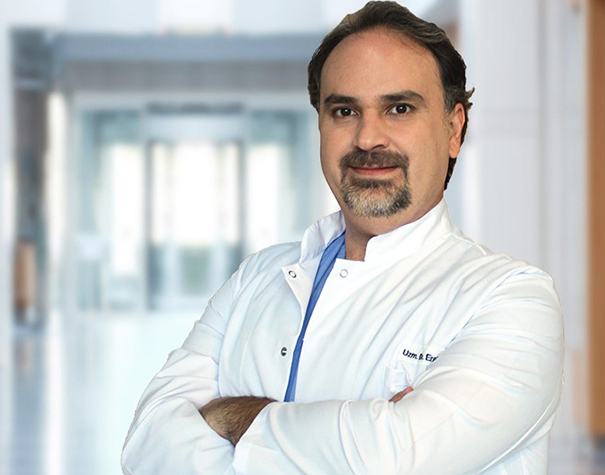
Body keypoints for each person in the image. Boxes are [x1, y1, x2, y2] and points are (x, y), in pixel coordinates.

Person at [121, 2, 564, 474]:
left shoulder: (512, 300)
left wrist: (227, 417)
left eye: (399, 108)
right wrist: (359, 429)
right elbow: (147, 447)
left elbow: (392, 459)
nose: (368, 138)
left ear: (454, 129)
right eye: (344, 111)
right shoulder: (257, 277)